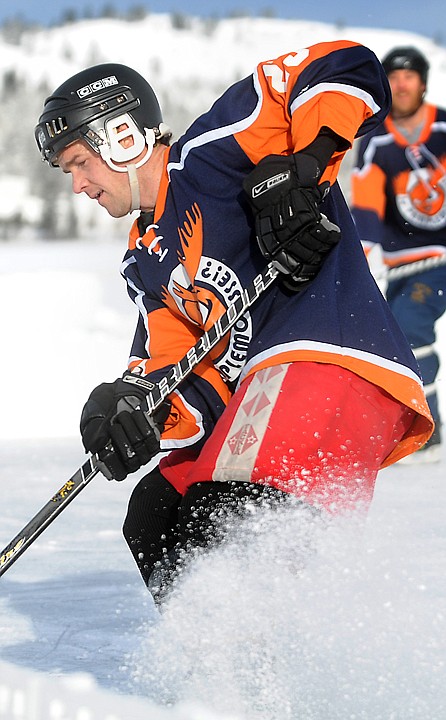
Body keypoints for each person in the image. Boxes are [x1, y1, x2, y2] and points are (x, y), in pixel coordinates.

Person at [35, 41, 433, 605]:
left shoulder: (212, 154)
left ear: (121, 138)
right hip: (266, 391)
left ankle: (257, 674)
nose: (77, 184)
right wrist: (133, 413)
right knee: (154, 512)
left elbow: (343, 63)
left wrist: (311, 162)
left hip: (334, 360)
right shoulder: (144, 259)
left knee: (217, 512)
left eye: (79, 162)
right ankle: (209, 669)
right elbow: (190, 375)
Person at [350, 46, 446, 463]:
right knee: (388, 341)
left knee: (408, 325)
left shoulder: (443, 129)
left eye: (409, 75)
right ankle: (404, 426)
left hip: (441, 260)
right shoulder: (377, 139)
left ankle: (431, 428)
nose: (401, 83)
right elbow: (367, 203)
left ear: (423, 82)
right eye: (393, 76)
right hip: (400, 264)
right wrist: (359, 253)